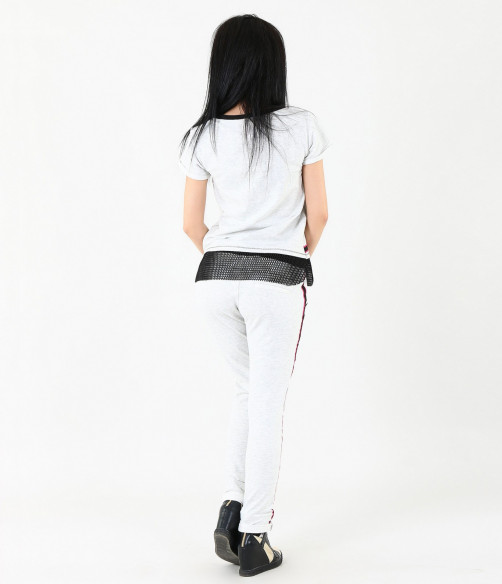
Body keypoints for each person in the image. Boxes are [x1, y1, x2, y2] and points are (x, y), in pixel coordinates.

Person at [178, 13, 330, 577]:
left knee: (246, 394)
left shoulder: (202, 136)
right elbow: (320, 214)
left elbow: (191, 224)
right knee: (267, 402)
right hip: (275, 282)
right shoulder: (301, 126)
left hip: (214, 279)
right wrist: (292, 252)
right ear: (273, 66)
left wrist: (231, 262)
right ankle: (255, 536)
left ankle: (232, 508)